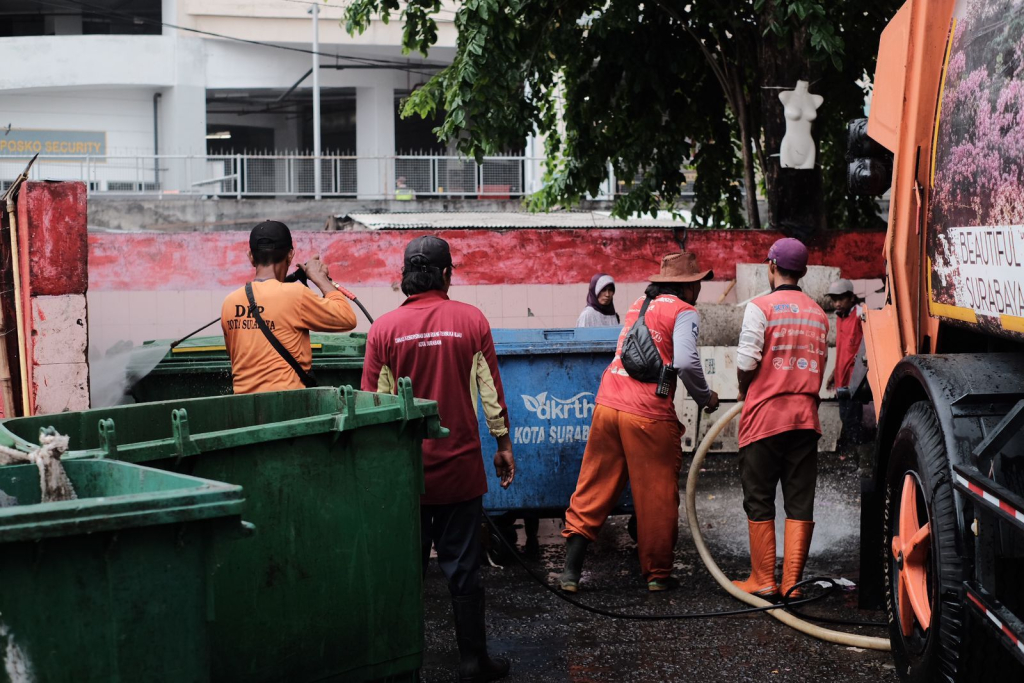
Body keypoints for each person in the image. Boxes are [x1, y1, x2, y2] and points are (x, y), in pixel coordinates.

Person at [361, 235, 515, 683]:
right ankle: (472, 662)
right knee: (464, 571)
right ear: (447, 274)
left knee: (406, 573)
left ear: (405, 277)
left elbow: (375, 407)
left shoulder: (383, 330)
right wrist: (503, 445)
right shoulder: (471, 321)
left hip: (407, 478)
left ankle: (403, 667)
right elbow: (491, 395)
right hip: (462, 470)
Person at [559, 252, 720, 593]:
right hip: (646, 414)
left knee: (593, 487)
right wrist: (706, 398)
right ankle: (658, 576)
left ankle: (570, 573)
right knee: (656, 495)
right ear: (688, 285)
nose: (699, 289)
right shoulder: (684, 310)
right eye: (697, 283)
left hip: (607, 404)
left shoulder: (639, 304)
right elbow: (688, 363)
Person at [734, 238, 828, 599]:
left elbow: (746, 362)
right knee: (799, 500)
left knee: (759, 497)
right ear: (802, 271)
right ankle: (792, 583)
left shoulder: (760, 307)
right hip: (805, 420)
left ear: (771, 267)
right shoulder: (819, 314)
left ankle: (763, 579)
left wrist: (745, 389)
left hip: (764, 418)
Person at [221, 220, 357, 394]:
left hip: (245, 411)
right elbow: (347, 318)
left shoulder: (229, 302)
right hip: (289, 408)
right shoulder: (296, 295)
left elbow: (233, 355)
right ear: (290, 255)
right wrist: (319, 277)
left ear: (251, 257)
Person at [825, 278, 865, 447]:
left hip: (854, 380)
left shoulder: (859, 314)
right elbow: (842, 350)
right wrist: (834, 373)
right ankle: (854, 452)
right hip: (842, 378)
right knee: (845, 416)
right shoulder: (839, 318)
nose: (837, 303)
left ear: (851, 298)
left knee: (852, 418)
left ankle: (861, 454)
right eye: (834, 300)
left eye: (841, 299)